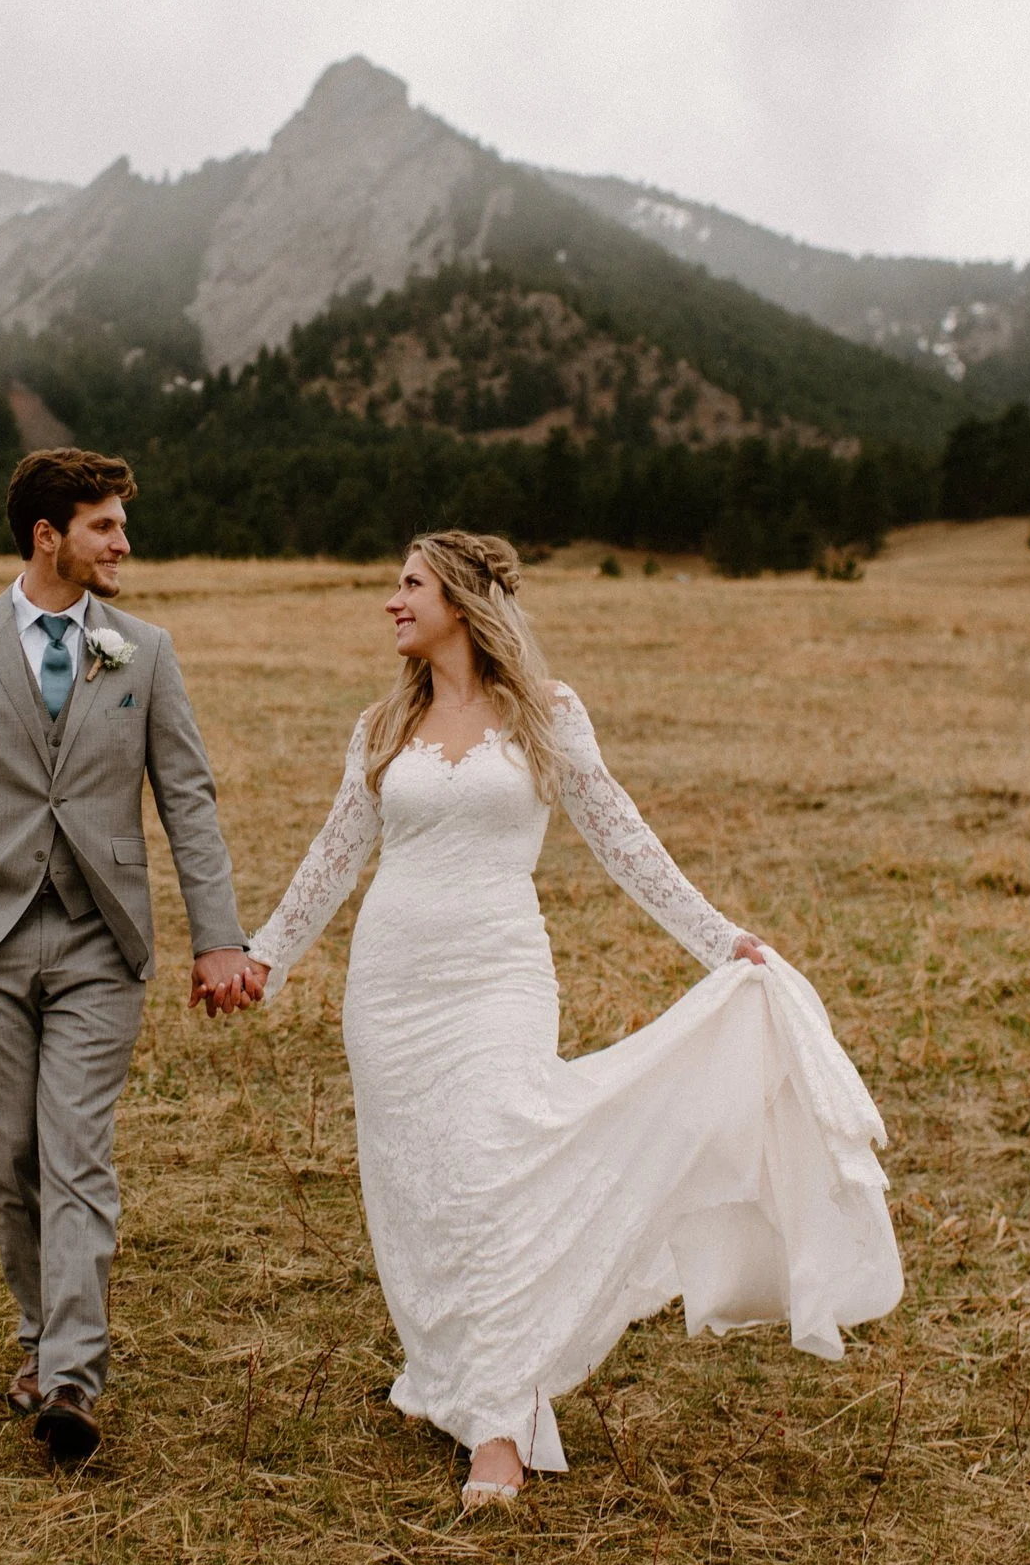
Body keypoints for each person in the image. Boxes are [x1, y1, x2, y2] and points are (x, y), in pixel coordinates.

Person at [234, 531, 903, 1510]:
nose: (390, 600)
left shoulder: (545, 716)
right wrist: (263, 954)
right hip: (390, 990)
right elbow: (334, 854)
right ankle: (451, 1370)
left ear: (459, 601)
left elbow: (621, 835)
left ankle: (500, 1423)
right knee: (425, 1196)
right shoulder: (381, 724)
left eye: (408, 584)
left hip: (499, 978)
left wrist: (721, 941)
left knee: (495, 1173)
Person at [0, 447, 262, 1466]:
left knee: (76, 1154)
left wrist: (218, 933)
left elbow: (187, 797)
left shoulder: (145, 650)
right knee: (10, 1160)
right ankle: (38, 1338)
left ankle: (69, 1379)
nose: (124, 543)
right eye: (105, 526)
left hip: (102, 939)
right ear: (49, 535)